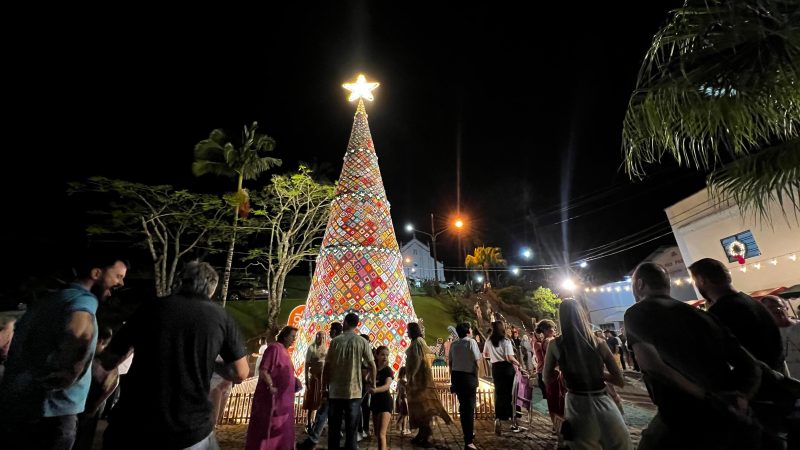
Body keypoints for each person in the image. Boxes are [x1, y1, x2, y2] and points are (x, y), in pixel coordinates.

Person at [100, 261, 248, 450]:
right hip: (190, 430)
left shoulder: (151, 308)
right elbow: (240, 373)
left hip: (135, 424)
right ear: (212, 288)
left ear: (181, 282)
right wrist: (212, 363)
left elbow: (109, 360)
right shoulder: (222, 318)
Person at [624, 262, 761, 450]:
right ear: (668, 284)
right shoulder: (702, 315)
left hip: (679, 418)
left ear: (639, 284)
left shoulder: (638, 312)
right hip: (722, 418)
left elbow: (652, 366)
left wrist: (707, 397)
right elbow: (750, 364)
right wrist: (740, 398)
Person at [0, 252, 128, 450]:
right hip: (53, 414)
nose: (120, 283)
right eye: (118, 276)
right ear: (96, 273)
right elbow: (78, 332)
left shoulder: (50, 300)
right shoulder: (84, 300)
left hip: (18, 407)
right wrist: (66, 375)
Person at [544, 299, 631, 449]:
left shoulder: (554, 345)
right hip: (603, 401)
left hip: (576, 405)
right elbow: (620, 380)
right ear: (582, 315)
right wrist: (597, 373)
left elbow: (546, 378)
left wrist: (562, 369)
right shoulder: (599, 342)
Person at [689, 258, 784, 371]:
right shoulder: (751, 301)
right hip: (775, 374)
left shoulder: (721, 310)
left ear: (701, 280)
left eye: (695, 281)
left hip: (760, 381)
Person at [322, 313, 376, 450]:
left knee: (334, 428)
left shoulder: (335, 342)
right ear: (357, 324)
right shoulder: (362, 342)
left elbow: (327, 366)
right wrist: (372, 382)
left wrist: (324, 387)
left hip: (336, 391)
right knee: (351, 430)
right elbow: (372, 365)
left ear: (345, 322)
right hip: (354, 391)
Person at [245, 326, 302, 450]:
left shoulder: (285, 351)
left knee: (283, 430)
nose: (294, 339)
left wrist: (295, 381)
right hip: (272, 400)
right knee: (268, 429)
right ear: (285, 336)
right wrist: (271, 385)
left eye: (295, 337)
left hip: (284, 401)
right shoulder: (274, 348)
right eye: (292, 336)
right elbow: (263, 370)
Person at [297, 322, 343, 450]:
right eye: (320, 335)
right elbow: (308, 364)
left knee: (324, 410)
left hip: (330, 382)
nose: (323, 337)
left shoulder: (333, 345)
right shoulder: (313, 348)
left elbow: (329, 366)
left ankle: (315, 437)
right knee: (318, 406)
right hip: (321, 380)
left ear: (333, 332)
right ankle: (314, 431)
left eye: (327, 333)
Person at [405, 322, 452, 447]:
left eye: (408, 330)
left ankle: (427, 435)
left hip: (420, 382)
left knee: (424, 408)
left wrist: (412, 376)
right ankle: (422, 433)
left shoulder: (418, 342)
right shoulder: (417, 342)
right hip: (419, 381)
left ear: (413, 331)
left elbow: (418, 360)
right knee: (420, 408)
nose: (407, 333)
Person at [72, 326, 119, 450]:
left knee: (83, 436)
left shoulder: (106, 360)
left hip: (91, 405)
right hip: (84, 403)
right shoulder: (96, 356)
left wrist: (95, 406)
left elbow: (111, 385)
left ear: (101, 341)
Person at [449, 322, 482, 450]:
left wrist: (453, 379)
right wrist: (477, 378)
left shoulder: (454, 344)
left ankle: (468, 432)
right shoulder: (471, 342)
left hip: (457, 377)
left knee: (464, 406)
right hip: (468, 377)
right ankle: (468, 441)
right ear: (468, 331)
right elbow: (477, 361)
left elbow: (450, 364)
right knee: (468, 408)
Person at [486, 321, 522, 435]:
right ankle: (513, 421)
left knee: (498, 393)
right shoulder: (505, 341)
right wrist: (519, 364)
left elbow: (485, 355)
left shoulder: (488, 341)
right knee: (510, 394)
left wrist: (493, 356)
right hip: (507, 369)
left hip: (496, 369)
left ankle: (498, 419)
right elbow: (509, 357)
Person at [370, 346, 394, 450]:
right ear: (377, 355)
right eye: (382, 354)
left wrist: (375, 390)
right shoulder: (373, 369)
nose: (385, 357)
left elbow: (387, 386)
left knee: (381, 434)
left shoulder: (388, 370)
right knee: (377, 433)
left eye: (387, 355)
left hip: (385, 402)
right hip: (375, 402)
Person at [303, 331, 328, 429]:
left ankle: (318, 422)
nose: (321, 339)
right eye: (319, 337)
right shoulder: (311, 348)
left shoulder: (325, 348)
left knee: (320, 400)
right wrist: (306, 379)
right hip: (314, 376)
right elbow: (307, 364)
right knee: (311, 400)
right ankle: (308, 422)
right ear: (316, 337)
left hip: (322, 377)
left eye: (323, 337)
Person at [395, 366, 410, 435]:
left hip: (399, 399)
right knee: (405, 414)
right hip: (404, 399)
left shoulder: (399, 381)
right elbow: (404, 392)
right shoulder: (404, 382)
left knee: (402, 414)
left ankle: (402, 428)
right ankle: (403, 429)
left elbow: (396, 390)